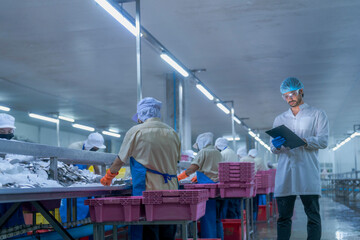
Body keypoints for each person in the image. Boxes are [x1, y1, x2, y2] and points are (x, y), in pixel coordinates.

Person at [100, 97, 181, 240]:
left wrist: (108, 177)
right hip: (171, 190)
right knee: (167, 227)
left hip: (147, 191)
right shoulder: (173, 133)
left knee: (147, 229)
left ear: (142, 115)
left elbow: (120, 159)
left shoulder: (136, 131)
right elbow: (177, 160)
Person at [271, 77, 329, 240]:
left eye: (293, 94)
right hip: (286, 174)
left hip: (307, 172)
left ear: (301, 91)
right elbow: (273, 148)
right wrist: (275, 145)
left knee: (313, 218)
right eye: (286, 95)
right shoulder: (279, 119)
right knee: (283, 218)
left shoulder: (317, 114)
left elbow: (323, 141)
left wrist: (305, 141)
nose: (289, 98)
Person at [178, 132, 225, 239]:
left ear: (201, 143)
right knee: (217, 218)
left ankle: (209, 237)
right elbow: (211, 169)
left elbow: (193, 168)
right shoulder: (217, 152)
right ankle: (219, 237)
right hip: (217, 189)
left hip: (206, 190)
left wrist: (179, 178)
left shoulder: (203, 152)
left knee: (207, 218)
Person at [0, 113, 25, 228]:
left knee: (14, 223)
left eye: (9, 131)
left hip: (13, 192)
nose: (6, 135)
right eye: (2, 132)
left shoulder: (16, 146)